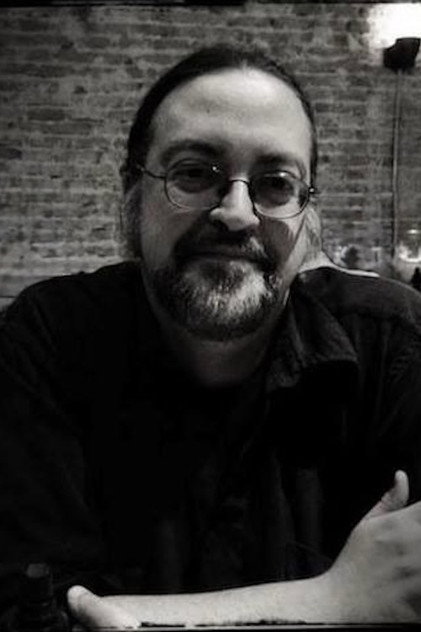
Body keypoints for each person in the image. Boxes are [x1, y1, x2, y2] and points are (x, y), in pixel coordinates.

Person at [1, 45, 421, 629]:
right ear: (132, 195)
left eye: (276, 184)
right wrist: (331, 601)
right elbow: (30, 615)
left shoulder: (394, 346)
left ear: (308, 217)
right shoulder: (49, 340)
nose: (237, 213)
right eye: (195, 173)